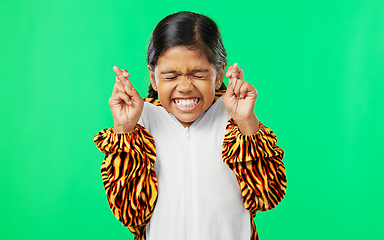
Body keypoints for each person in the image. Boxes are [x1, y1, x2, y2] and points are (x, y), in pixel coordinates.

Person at [94, 11, 286, 240]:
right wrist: (125, 130)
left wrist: (246, 123)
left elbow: (268, 195)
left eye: (198, 74)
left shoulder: (235, 120)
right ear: (153, 77)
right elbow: (129, 212)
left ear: (219, 74)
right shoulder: (140, 123)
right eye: (170, 76)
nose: (184, 86)